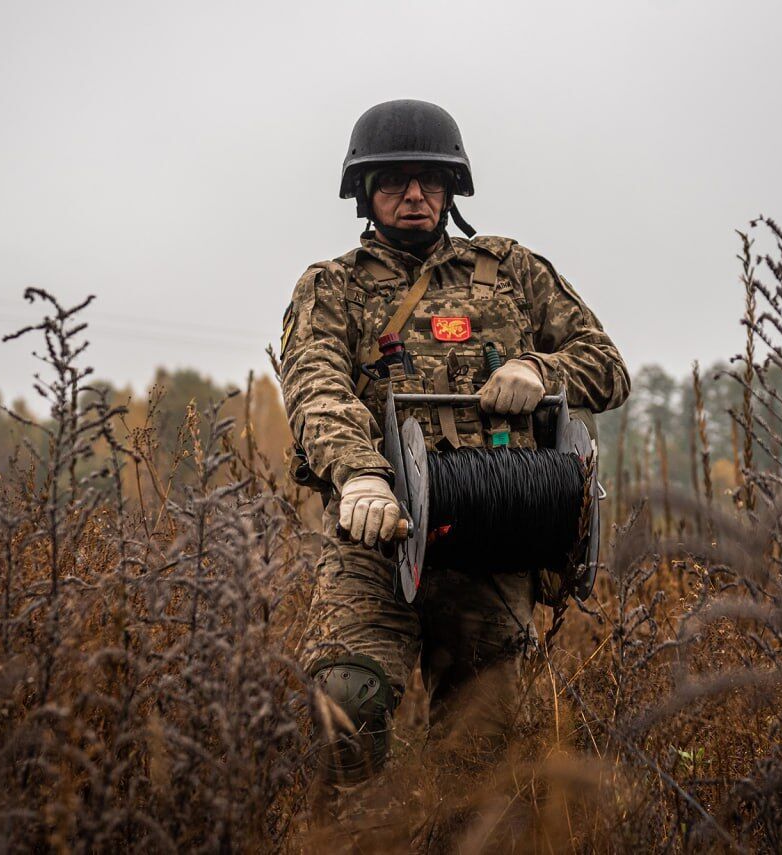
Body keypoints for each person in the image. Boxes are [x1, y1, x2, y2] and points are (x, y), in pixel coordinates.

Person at [279, 99, 629, 782]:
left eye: (428, 180)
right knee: (345, 706)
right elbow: (315, 387)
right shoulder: (331, 288)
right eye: (393, 181)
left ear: (451, 189)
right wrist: (360, 474)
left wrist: (541, 369)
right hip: (376, 535)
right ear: (364, 192)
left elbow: (608, 365)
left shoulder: (513, 272)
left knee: (482, 760)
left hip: (494, 543)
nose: (413, 195)